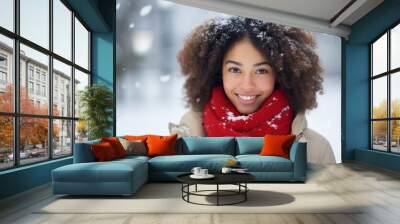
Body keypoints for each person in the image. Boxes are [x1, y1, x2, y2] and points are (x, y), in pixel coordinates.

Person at [169, 17, 336, 164]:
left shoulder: (316, 150)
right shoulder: (182, 144)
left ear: (280, 75)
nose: (247, 85)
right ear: (218, 73)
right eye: (235, 70)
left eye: (261, 70)